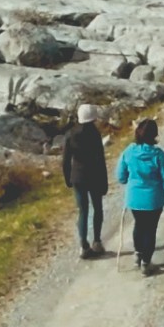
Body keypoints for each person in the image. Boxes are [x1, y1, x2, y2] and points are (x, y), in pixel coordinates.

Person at [116, 117, 164, 276]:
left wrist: (127, 180)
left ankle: (138, 253)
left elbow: (121, 176)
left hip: (134, 198)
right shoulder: (158, 155)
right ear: (154, 135)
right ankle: (146, 262)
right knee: (150, 230)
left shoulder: (129, 152)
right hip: (153, 200)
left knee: (139, 225)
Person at [63, 104, 110, 259]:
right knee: (98, 209)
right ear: (93, 118)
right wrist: (105, 182)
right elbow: (101, 159)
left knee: (83, 211)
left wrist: (68, 178)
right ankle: (97, 241)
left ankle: (84, 245)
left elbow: (65, 160)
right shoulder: (95, 134)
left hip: (78, 177)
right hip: (94, 176)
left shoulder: (70, 134)